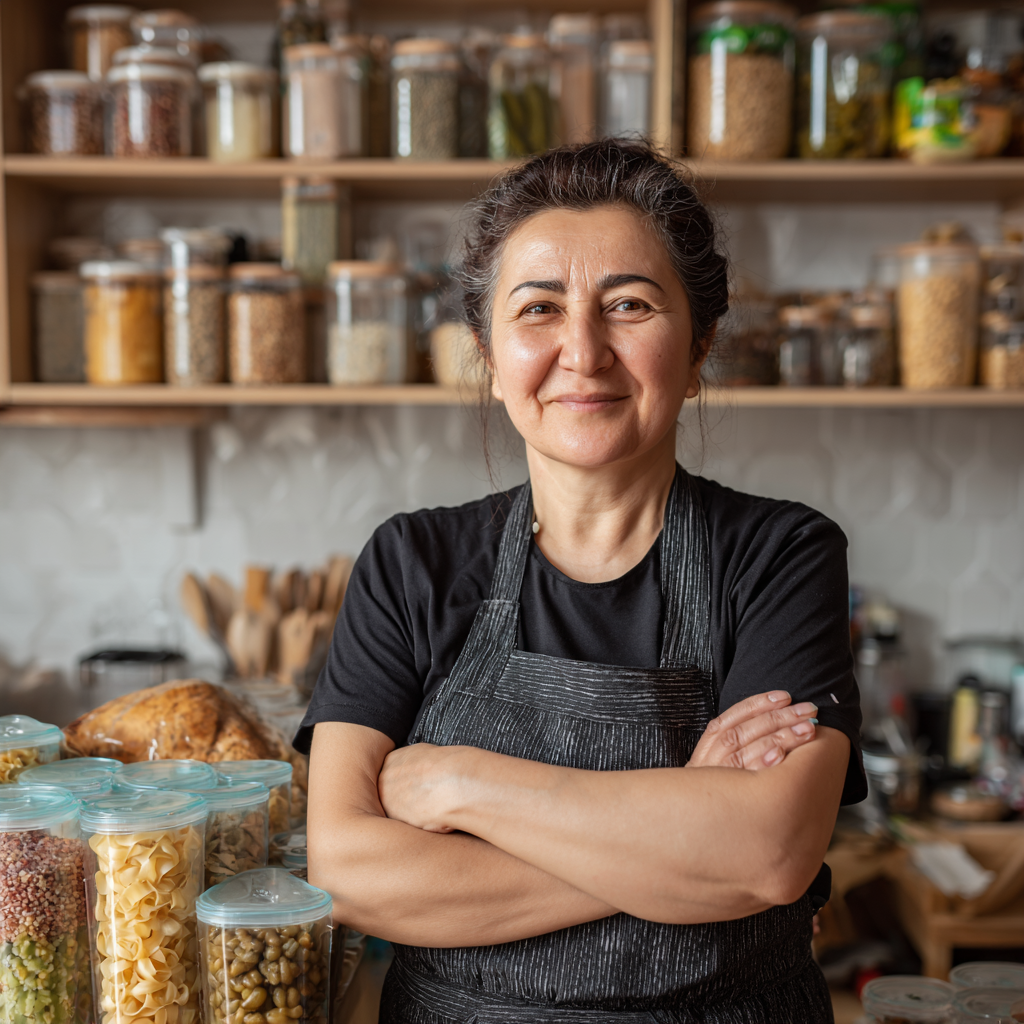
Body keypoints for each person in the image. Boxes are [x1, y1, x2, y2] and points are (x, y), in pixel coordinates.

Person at [296, 139, 865, 1023]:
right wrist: (681, 836)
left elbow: (767, 856)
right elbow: (347, 872)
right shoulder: (411, 564)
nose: (584, 350)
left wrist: (459, 785)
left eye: (629, 305)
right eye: (538, 310)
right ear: (488, 353)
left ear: (701, 338)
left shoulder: (781, 555)